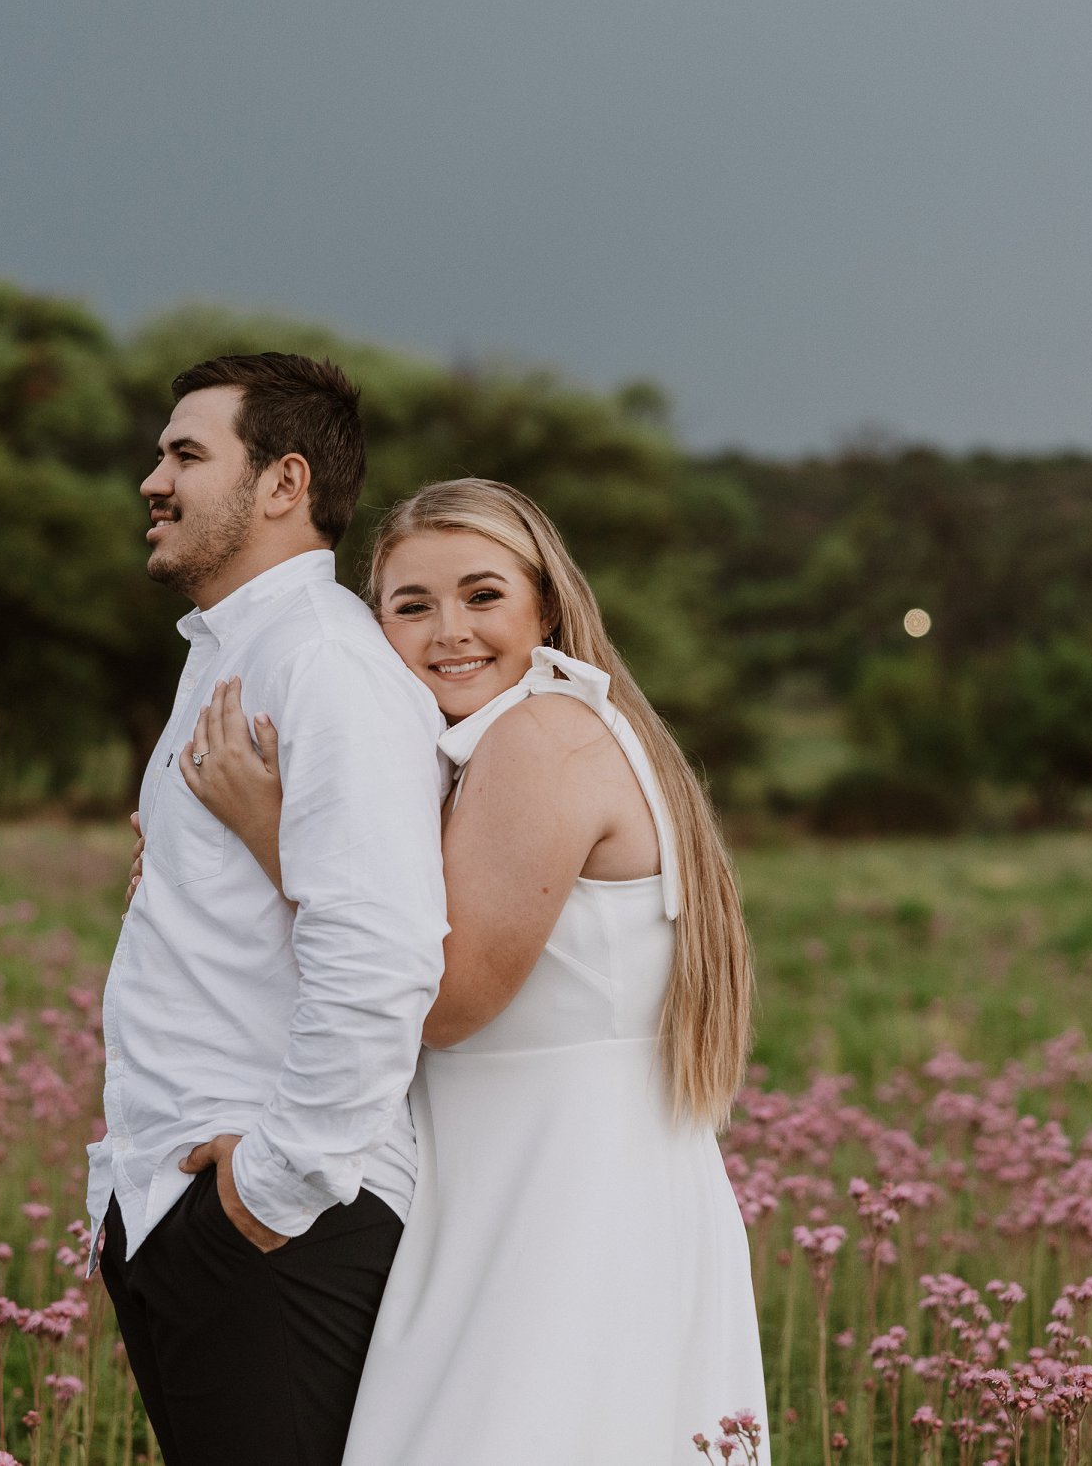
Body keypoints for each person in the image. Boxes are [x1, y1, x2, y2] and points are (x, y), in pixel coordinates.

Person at [179, 478, 768, 1463]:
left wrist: (270, 832)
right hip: (545, 1189)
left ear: (545, 605)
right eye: (411, 605)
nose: (449, 630)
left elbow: (444, 1001)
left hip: (557, 1210)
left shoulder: (543, 736)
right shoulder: (499, 746)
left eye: (482, 595)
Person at [88, 353, 449, 1466]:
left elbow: (381, 946)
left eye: (187, 455)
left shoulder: (325, 663)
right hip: (178, 1199)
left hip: (274, 1222)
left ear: (285, 482)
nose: (152, 480)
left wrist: (273, 1184)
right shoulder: (229, 653)